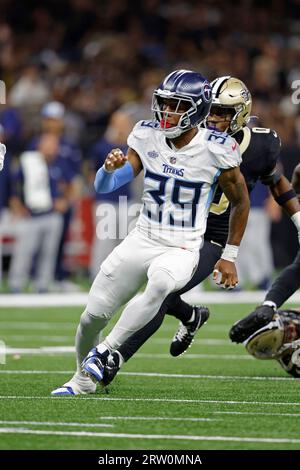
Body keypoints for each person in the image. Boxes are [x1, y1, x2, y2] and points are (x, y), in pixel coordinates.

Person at [91, 76, 300, 388]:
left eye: (223, 112)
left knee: (159, 294)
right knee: (149, 289)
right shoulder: (190, 136)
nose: (214, 118)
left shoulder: (261, 144)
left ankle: (114, 359)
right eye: (211, 110)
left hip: (209, 238)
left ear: (241, 113)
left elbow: (275, 181)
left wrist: (295, 220)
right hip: (171, 230)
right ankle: (191, 316)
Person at [51, 69, 250, 395]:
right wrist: (107, 170)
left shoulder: (218, 148)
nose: (167, 112)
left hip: (182, 246)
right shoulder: (146, 135)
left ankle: (106, 350)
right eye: (164, 103)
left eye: (176, 105)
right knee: (91, 317)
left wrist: (230, 254)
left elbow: (241, 203)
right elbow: (105, 185)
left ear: (197, 108)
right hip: (142, 237)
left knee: (161, 283)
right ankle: (81, 380)